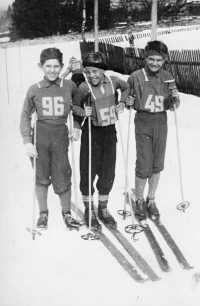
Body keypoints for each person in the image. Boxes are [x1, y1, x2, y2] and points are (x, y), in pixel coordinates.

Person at [19, 47, 79, 230]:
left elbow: (78, 107)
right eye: (48, 66)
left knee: (62, 174)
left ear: (61, 66)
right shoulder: (34, 89)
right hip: (40, 136)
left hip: (60, 134)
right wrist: (27, 141)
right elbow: (25, 116)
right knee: (41, 175)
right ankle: (43, 213)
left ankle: (66, 212)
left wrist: (76, 127)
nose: (52, 70)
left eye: (56, 66)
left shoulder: (69, 86)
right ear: (40, 66)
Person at [71, 51, 130, 230]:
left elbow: (126, 88)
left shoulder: (113, 81)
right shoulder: (83, 87)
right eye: (87, 72)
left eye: (95, 71)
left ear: (103, 70)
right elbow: (73, 106)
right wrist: (82, 114)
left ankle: (103, 208)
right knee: (88, 170)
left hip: (110, 132)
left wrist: (123, 103)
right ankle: (90, 210)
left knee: (108, 171)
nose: (91, 75)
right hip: (92, 132)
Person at [126, 40, 180, 221]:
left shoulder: (167, 76)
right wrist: (128, 102)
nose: (155, 63)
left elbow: (175, 104)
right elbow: (127, 99)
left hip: (161, 121)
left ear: (164, 60)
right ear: (145, 58)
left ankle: (151, 199)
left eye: (159, 60)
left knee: (157, 162)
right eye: (151, 59)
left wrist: (174, 99)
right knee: (144, 162)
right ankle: (139, 200)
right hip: (143, 120)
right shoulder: (135, 76)